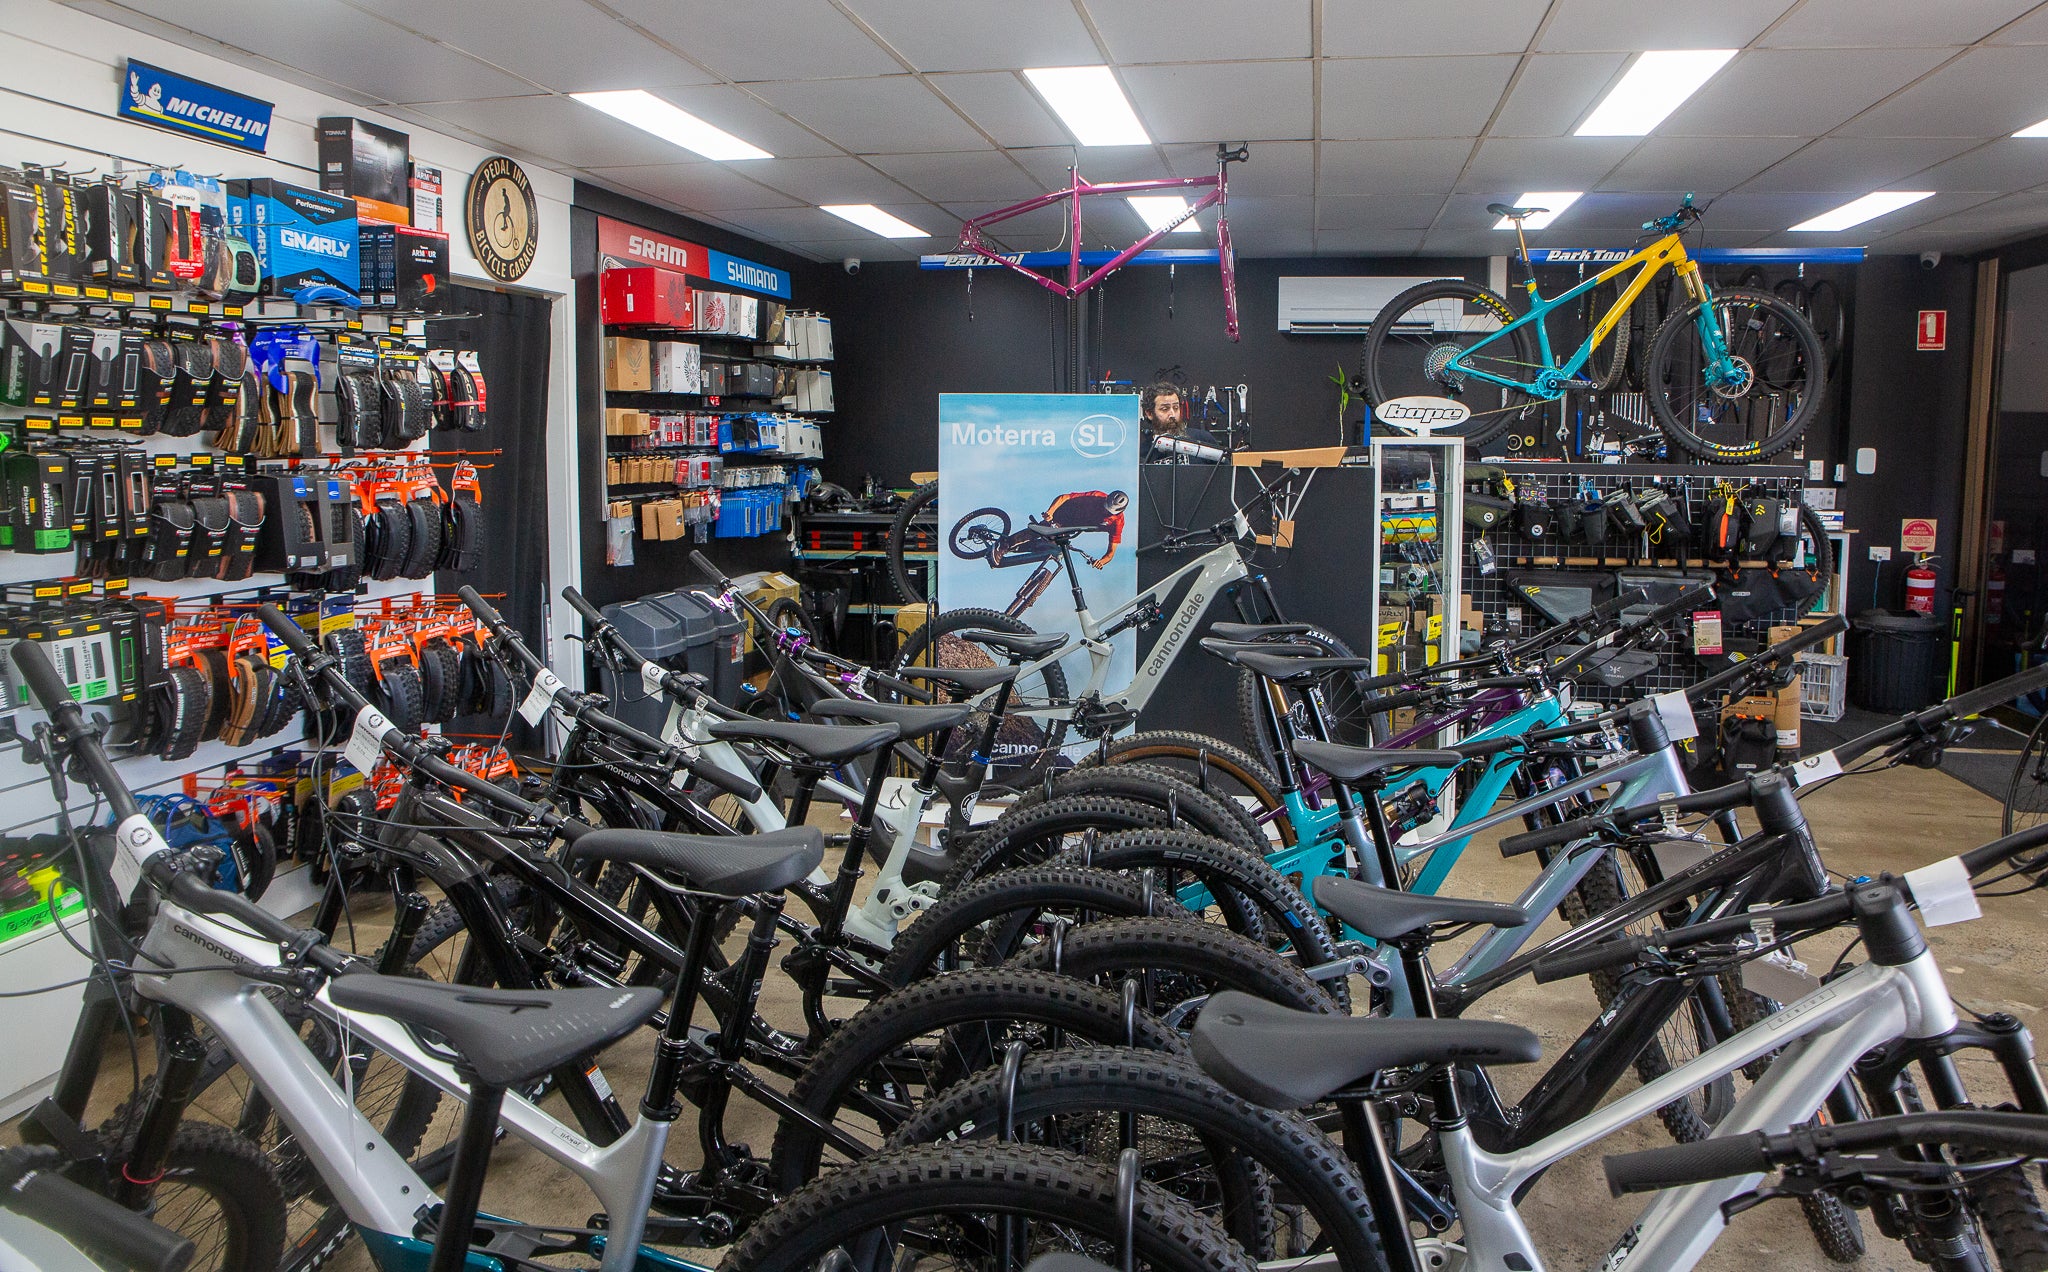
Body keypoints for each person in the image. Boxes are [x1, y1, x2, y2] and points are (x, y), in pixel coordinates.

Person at [1037, 488, 1128, 569]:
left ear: (1119, 512)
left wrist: (1101, 562)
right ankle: (1028, 537)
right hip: (1064, 513)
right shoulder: (1096, 496)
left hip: (1072, 527)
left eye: (1109, 512)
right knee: (1038, 532)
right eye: (1105, 507)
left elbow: (1111, 553)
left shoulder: (1117, 522)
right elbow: (1065, 497)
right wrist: (1050, 512)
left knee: (1058, 553)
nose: (1104, 511)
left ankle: (1040, 548)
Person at [1143, 380, 1224, 461]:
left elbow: (1227, 471)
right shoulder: (1142, 451)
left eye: (1176, 408)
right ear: (1149, 414)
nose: (1172, 414)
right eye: (1164, 409)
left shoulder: (1203, 440)